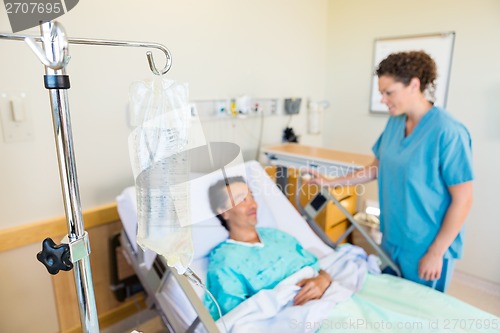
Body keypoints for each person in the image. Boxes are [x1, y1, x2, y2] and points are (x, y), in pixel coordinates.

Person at [308, 51, 473, 292]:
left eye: (389, 92)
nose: (384, 99)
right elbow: (375, 169)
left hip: (426, 244)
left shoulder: (448, 131)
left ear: (414, 85)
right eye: (381, 93)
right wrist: (332, 182)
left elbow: (464, 199)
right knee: (390, 301)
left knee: (419, 314)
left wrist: (436, 252)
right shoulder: (395, 122)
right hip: (393, 235)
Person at [203, 176, 332, 320]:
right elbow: (237, 316)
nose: (253, 205)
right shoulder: (225, 260)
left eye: (251, 196)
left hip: (329, 299)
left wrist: (323, 280)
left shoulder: (276, 235)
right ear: (224, 211)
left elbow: (316, 268)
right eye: (242, 200)